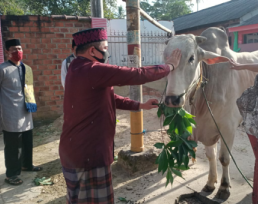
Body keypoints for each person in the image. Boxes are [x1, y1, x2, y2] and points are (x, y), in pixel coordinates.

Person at [59, 28, 181, 204]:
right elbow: (137, 74)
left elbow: (110, 97)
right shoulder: (92, 70)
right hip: (88, 155)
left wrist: (139, 105)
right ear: (93, 50)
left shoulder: (76, 69)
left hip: (77, 150)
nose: (107, 52)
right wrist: (169, 66)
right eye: (105, 47)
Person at [0, 39, 42, 186]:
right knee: (13, 145)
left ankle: (26, 165)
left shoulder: (27, 68)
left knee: (27, 141)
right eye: (14, 49)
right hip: (10, 113)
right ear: (7, 52)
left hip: (26, 111)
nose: (18, 52)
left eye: (20, 48)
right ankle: (11, 174)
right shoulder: (1, 70)